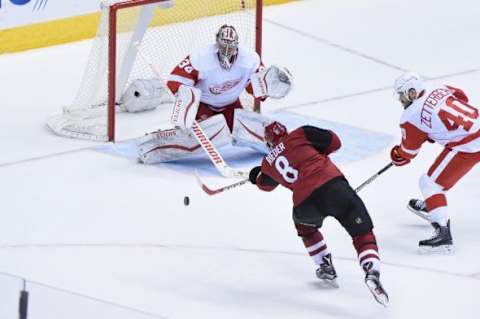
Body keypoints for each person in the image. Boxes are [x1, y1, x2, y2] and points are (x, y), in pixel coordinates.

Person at [249, 121, 389, 306]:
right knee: (362, 233)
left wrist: (255, 175)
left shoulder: (268, 162)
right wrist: (315, 152)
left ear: (269, 143)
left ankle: (325, 265)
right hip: (334, 187)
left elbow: (264, 184)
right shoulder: (301, 133)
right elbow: (335, 142)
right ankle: (371, 271)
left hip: (305, 204)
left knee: (304, 227)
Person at [137, 24, 292, 164]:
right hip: (202, 106)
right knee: (206, 136)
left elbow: (255, 89)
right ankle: (152, 147)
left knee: (263, 130)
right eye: (223, 44)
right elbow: (174, 82)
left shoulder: (250, 59)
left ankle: (287, 148)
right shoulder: (200, 58)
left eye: (230, 46)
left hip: (230, 105)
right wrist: (184, 99)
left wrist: (267, 87)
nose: (226, 50)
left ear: (237, 45)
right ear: (216, 42)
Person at [390, 72, 480, 253]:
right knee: (437, 180)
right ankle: (435, 206)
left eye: (402, 95)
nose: (400, 100)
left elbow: (408, 153)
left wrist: (396, 154)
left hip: (468, 147)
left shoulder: (409, 116)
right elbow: (462, 97)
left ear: (412, 92)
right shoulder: (440, 88)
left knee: (430, 184)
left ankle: (442, 232)